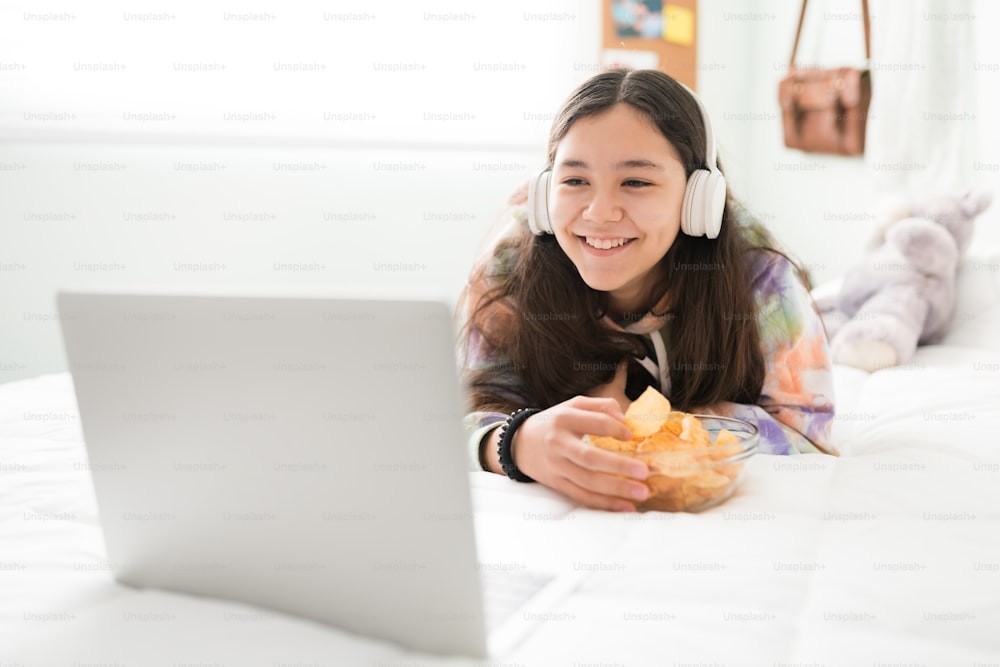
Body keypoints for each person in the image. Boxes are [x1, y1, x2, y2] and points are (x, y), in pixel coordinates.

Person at [458, 68, 836, 512]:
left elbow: (810, 434)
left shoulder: (760, 274)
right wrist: (516, 443)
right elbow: (457, 411)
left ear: (699, 198)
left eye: (636, 182)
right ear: (545, 195)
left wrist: (646, 423)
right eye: (575, 180)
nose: (599, 214)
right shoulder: (512, 263)